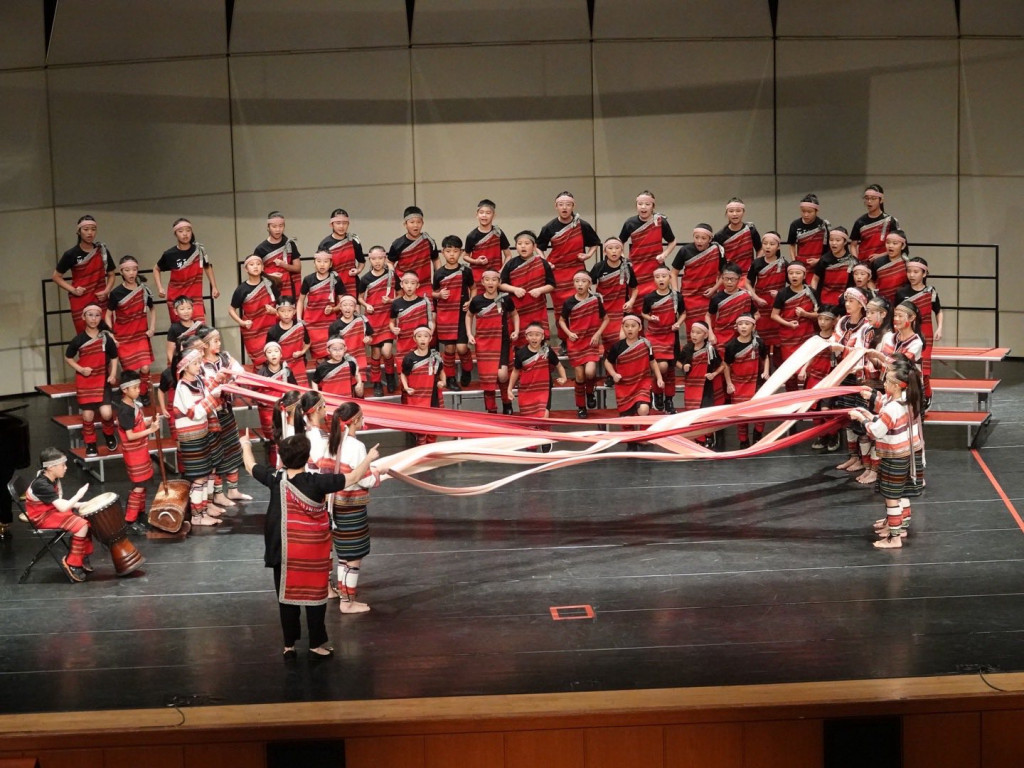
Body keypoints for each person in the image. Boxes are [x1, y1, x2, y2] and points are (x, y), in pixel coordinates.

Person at [240, 432, 380, 658]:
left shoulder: (275, 478)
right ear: (306, 458)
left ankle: (289, 645)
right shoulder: (317, 482)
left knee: (285, 598)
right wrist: (369, 457)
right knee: (316, 597)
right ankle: (316, 644)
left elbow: (250, 466)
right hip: (312, 552)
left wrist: (246, 444)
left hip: (283, 549)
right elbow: (353, 477)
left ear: (283, 458)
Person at [848, 359, 924, 549]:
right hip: (908, 453)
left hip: (895, 456)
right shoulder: (908, 398)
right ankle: (899, 527)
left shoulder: (893, 407)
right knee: (902, 492)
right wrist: (868, 414)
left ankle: (894, 537)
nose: (884, 384)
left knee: (892, 497)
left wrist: (861, 419)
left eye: (888, 381)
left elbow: (876, 431)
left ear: (897, 385)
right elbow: (886, 421)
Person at [321, 402, 382, 613]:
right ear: (355, 420)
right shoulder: (356, 447)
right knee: (353, 556)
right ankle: (347, 602)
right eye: (362, 416)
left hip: (332, 506)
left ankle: (344, 595)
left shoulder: (331, 442)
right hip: (350, 507)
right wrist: (377, 473)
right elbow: (364, 479)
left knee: (343, 554)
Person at [537, 191, 602, 349]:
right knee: (561, 308)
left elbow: (595, 243)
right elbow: (539, 247)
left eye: (568, 204)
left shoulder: (582, 225)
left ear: (573, 206)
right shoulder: (549, 227)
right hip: (557, 272)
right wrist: (546, 262)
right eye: (561, 204)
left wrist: (588, 255)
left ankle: (583, 338)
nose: (564, 207)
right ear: (556, 206)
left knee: (581, 305)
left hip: (577, 271)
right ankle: (565, 340)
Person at [198, 327, 250, 509]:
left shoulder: (225, 357)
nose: (219, 343)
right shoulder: (200, 365)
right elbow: (207, 390)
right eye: (215, 341)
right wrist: (223, 383)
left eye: (219, 340)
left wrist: (231, 382)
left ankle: (233, 490)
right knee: (218, 454)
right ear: (205, 345)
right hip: (212, 415)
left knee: (233, 449)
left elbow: (240, 372)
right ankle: (219, 494)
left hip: (227, 410)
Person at [25, 448, 94, 582]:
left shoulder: (53, 478)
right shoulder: (41, 484)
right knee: (82, 526)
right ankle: (73, 563)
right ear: (51, 467)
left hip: (51, 510)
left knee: (86, 516)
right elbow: (62, 507)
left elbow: (60, 502)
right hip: (41, 517)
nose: (66, 468)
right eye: (63, 465)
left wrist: (81, 504)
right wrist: (78, 495)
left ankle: (81, 554)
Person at [171, 345, 222, 526]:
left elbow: (208, 394)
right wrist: (213, 398)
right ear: (185, 367)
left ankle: (204, 509)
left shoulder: (198, 380)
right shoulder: (182, 387)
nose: (199, 366)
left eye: (199, 362)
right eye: (195, 363)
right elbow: (194, 413)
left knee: (206, 473)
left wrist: (217, 386)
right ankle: (197, 516)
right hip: (191, 438)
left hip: (202, 434)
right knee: (199, 477)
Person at [64, 305, 119, 457]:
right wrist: (80, 369)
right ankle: (91, 443)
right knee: (88, 415)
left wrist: (113, 374)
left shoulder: (106, 338)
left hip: (102, 380)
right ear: (83, 317)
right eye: (90, 315)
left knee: (106, 414)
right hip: (85, 381)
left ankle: (109, 434)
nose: (93, 319)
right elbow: (68, 357)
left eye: (96, 315)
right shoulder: (78, 339)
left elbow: (114, 356)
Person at [114, 370, 163, 534]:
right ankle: (130, 519)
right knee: (139, 486)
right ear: (125, 390)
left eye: (138, 387)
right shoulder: (124, 410)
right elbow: (130, 435)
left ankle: (140, 514)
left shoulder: (133, 405)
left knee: (144, 484)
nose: (138, 390)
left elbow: (137, 424)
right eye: (134, 388)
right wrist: (151, 430)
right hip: (134, 454)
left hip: (141, 450)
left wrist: (149, 422)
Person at [605, 314, 663, 449]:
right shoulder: (617, 347)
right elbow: (607, 362)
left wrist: (659, 377)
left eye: (633, 326)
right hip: (624, 386)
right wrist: (613, 374)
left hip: (642, 383)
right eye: (626, 326)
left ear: (640, 327)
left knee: (644, 409)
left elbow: (653, 362)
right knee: (626, 419)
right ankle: (630, 440)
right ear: (622, 328)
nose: (630, 329)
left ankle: (643, 436)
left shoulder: (646, 344)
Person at [52, 215, 116, 335]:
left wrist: (107, 291)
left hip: (100, 298)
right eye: (86, 229)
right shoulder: (71, 254)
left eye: (93, 229)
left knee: (106, 333)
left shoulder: (102, 251)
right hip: (81, 299)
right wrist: (73, 290)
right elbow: (56, 276)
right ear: (79, 231)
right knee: (85, 336)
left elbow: (111, 274)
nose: (90, 233)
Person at [105, 255, 156, 406]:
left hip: (140, 334)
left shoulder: (144, 290)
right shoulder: (116, 293)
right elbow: (107, 315)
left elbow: (152, 309)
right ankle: (128, 398)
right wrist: (111, 335)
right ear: (121, 272)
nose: (131, 273)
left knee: (145, 367)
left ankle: (144, 392)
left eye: (134, 269)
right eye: (127, 270)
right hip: (123, 337)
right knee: (129, 371)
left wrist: (152, 327)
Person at [466, 270, 518, 414]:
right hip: (484, 343)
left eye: (494, 279)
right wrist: (469, 334)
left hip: (502, 341)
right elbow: (469, 316)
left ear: (499, 282)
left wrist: (516, 330)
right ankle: (491, 409)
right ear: (482, 282)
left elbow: (514, 314)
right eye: (487, 279)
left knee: (503, 375)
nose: (490, 282)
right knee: (488, 379)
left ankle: (507, 403)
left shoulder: (505, 299)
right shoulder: (476, 300)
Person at [558, 271, 608, 419]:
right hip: (575, 343)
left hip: (590, 342)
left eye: (583, 281)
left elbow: (606, 319)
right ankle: (581, 406)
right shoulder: (569, 302)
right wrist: (568, 333)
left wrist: (597, 334)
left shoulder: (595, 300)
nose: (580, 284)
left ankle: (590, 392)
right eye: (577, 281)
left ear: (589, 283)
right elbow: (561, 320)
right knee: (580, 376)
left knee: (590, 372)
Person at [152, 218, 219, 323]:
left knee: (199, 327)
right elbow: (156, 269)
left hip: (195, 296)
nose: (185, 234)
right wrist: (160, 287)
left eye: (188, 230)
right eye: (181, 231)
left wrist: (214, 286)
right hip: (176, 297)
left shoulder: (198, 250)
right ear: (175, 234)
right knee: (181, 329)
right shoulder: (169, 254)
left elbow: (207, 266)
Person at [896, 256, 943, 402]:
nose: (911, 275)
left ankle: (927, 395)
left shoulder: (930, 291)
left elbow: (938, 311)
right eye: (909, 271)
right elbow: (896, 314)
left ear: (924, 273)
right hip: (906, 332)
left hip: (926, 333)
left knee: (925, 369)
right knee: (907, 367)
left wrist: (940, 328)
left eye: (916, 272)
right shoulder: (901, 293)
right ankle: (911, 397)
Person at [432, 235, 475, 389]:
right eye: (448, 251)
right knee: (449, 349)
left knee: (462, 348)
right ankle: (450, 379)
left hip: (462, 315)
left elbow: (474, 288)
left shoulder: (466, 271)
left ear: (461, 252)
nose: (452, 254)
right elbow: (433, 293)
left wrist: (471, 301)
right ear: (443, 252)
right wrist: (439, 295)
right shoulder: (439, 273)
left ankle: (467, 370)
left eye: (455, 251)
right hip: (445, 315)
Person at [797, 306, 841, 451]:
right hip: (814, 376)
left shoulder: (837, 338)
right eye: (820, 319)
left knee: (826, 409)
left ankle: (833, 434)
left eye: (826, 319)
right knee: (815, 410)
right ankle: (822, 435)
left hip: (830, 377)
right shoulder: (815, 338)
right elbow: (811, 356)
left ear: (834, 322)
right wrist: (804, 368)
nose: (822, 322)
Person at [619, 190, 677, 300]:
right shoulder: (629, 223)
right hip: (636, 267)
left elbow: (672, 241)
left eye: (647, 204)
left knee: (656, 299)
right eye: (640, 204)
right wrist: (623, 258)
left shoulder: (661, 222)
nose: (643, 207)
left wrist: (664, 254)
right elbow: (620, 242)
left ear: (653, 206)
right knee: (636, 298)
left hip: (655, 266)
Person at [723, 313, 770, 448]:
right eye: (740, 324)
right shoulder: (731, 345)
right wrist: (729, 383)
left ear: (753, 327)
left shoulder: (759, 343)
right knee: (741, 414)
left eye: (747, 324)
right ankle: (743, 440)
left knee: (760, 411)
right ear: (736, 327)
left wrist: (766, 371)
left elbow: (766, 357)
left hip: (756, 382)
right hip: (738, 383)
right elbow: (726, 365)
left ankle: (758, 433)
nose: (743, 327)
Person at [500, 230, 555, 343]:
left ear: (534, 246)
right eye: (519, 244)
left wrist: (540, 290)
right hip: (516, 308)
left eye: (527, 243)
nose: (523, 246)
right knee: (517, 339)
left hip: (537, 306)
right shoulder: (510, 264)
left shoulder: (542, 263)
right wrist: (514, 289)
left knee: (538, 338)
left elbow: (552, 285)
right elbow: (501, 284)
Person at [641, 267, 684, 413]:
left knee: (670, 370)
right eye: (657, 276)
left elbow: (683, 313)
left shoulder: (677, 297)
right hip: (654, 336)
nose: (661, 279)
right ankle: (657, 393)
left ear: (670, 278)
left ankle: (668, 400)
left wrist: (678, 323)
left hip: (671, 335)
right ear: (654, 279)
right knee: (662, 367)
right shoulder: (649, 298)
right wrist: (650, 317)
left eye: (664, 276)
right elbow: (643, 313)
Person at [770, 261, 819, 384]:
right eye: (791, 273)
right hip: (788, 337)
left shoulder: (811, 292)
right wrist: (788, 324)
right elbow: (774, 315)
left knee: (806, 369)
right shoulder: (782, 293)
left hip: (806, 334)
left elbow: (819, 314)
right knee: (789, 371)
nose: (794, 276)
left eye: (798, 273)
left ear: (804, 275)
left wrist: (805, 314)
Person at [358, 245, 398, 395]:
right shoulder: (365, 279)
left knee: (387, 352)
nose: (377, 261)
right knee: (375, 353)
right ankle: (377, 383)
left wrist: (391, 300)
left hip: (387, 318)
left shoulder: (392, 275)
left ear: (385, 258)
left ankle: (390, 377)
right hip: (373, 319)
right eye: (374, 259)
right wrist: (366, 305)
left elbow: (401, 294)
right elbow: (359, 298)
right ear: (369, 259)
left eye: (380, 258)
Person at [678, 321, 725, 448]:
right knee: (693, 412)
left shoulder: (710, 350)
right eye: (693, 332)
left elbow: (722, 366)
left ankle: (708, 435)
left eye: (698, 333)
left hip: (706, 386)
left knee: (705, 413)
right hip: (691, 386)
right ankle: (699, 438)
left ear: (705, 335)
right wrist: (683, 366)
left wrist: (714, 374)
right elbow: (677, 362)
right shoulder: (687, 348)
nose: (694, 335)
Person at [671, 223, 724, 333]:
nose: (699, 241)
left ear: (710, 239)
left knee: (708, 329)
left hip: (708, 295)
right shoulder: (684, 250)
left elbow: (724, 274)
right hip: (689, 296)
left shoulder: (716, 251)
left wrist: (714, 289)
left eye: (703, 238)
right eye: (696, 237)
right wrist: (676, 293)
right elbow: (673, 273)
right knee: (693, 331)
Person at [589, 237, 638, 357]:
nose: (614, 251)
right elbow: (588, 286)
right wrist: (595, 299)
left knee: (622, 339)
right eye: (610, 248)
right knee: (609, 342)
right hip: (604, 311)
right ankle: (610, 366)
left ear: (621, 250)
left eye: (617, 248)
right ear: (605, 251)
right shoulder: (598, 267)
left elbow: (635, 288)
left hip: (621, 309)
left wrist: (631, 302)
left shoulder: (627, 267)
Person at [229, 253, 279, 366]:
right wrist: (242, 322)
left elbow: (280, 305)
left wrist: (275, 311)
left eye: (258, 264)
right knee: (259, 363)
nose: (255, 266)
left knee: (274, 361)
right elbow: (231, 309)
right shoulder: (241, 289)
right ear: (246, 269)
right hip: (253, 330)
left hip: (271, 328)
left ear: (262, 267)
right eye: (251, 264)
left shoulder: (269, 284)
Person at [509, 322, 568, 418]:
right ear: (526, 337)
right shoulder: (520, 353)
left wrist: (564, 377)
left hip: (544, 389)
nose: (534, 338)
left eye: (537, 335)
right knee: (529, 419)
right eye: (531, 335)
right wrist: (509, 389)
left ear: (542, 336)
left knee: (544, 416)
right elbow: (515, 371)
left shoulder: (547, 351)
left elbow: (559, 365)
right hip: (526, 390)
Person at [747, 231, 787, 369]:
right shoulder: (756, 263)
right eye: (765, 243)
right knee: (761, 342)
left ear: (778, 246)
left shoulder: (784, 264)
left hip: (777, 308)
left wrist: (780, 294)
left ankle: (779, 372)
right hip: (760, 306)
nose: (768, 246)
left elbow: (794, 286)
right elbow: (747, 283)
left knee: (778, 343)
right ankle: (761, 373)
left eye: (772, 244)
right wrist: (756, 297)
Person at [254, 341, 297, 467]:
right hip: (268, 410)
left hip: (284, 409)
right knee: (273, 437)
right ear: (265, 356)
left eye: (276, 351)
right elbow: (254, 391)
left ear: (281, 354)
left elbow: (294, 388)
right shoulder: (262, 373)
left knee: (286, 435)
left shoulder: (287, 371)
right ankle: (274, 464)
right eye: (269, 352)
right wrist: (262, 400)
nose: (273, 354)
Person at [400, 327, 446, 445]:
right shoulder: (409, 358)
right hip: (417, 397)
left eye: (425, 336)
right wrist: (406, 387)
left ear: (430, 339)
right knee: (421, 430)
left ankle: (430, 449)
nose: (422, 339)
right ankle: (421, 450)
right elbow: (403, 374)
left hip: (433, 396)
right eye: (419, 336)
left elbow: (442, 372)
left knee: (433, 428)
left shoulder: (436, 357)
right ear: (414, 338)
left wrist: (443, 382)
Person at [299, 250, 343, 363]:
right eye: (319, 261)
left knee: (332, 354)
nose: (322, 264)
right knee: (319, 358)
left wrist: (333, 309)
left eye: (325, 261)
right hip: (312, 323)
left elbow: (343, 302)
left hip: (329, 323)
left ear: (331, 264)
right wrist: (299, 319)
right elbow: (300, 300)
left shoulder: (336, 279)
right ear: (314, 263)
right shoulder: (308, 279)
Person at [463, 199, 512, 293]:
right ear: (476, 215)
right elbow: (465, 256)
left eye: (488, 213)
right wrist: (476, 261)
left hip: (495, 276)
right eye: (481, 212)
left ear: (494, 215)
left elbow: (508, 255)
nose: (484, 215)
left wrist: (501, 271)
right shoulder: (471, 236)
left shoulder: (498, 233)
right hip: (478, 277)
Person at [705, 262, 754, 356]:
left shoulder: (746, 296)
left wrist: (746, 326)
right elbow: (707, 316)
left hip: (741, 335)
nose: (729, 282)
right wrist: (711, 334)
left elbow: (756, 315)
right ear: (722, 278)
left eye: (733, 279)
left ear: (739, 279)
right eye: (726, 279)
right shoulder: (716, 298)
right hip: (721, 335)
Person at [388, 205, 437, 298]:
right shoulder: (397, 244)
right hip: (404, 285)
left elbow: (436, 259)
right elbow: (390, 262)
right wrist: (397, 283)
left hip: (424, 284)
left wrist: (438, 280)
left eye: (418, 222)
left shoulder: (429, 241)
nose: (415, 225)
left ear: (422, 223)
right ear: (405, 224)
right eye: (412, 222)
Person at [265, 295, 311, 389]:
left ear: (294, 311)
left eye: (289, 310)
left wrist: (302, 352)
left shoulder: (300, 326)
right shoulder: (272, 332)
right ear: (277, 312)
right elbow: (268, 351)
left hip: (299, 364)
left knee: (302, 391)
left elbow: (308, 342)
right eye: (282, 311)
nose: (286, 314)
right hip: (281, 366)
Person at [253, 211, 302, 298]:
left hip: (289, 288)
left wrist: (284, 265)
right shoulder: (260, 249)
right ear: (268, 227)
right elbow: (255, 272)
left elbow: (297, 268)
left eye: (281, 226)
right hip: (269, 289)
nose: (278, 229)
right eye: (274, 226)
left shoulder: (289, 244)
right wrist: (269, 276)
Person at [318, 208, 364, 296]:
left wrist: (358, 270)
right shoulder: (325, 244)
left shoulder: (353, 240)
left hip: (352, 283)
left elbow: (361, 261)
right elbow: (320, 267)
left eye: (344, 223)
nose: (341, 226)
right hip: (332, 284)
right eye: (338, 223)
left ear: (348, 224)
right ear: (331, 224)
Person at [389, 272, 434, 362]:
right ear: (401, 284)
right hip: (403, 342)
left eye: (413, 283)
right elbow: (391, 322)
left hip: (420, 342)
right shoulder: (396, 303)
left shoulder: (425, 302)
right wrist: (393, 329)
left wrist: (429, 336)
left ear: (417, 285)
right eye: (406, 283)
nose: (409, 286)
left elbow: (431, 321)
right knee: (402, 367)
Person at [850, 184, 899, 263]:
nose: (869, 201)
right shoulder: (860, 222)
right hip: (864, 264)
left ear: (881, 200)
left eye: (873, 198)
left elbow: (898, 245)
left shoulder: (890, 221)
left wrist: (880, 255)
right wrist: (856, 262)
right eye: (867, 198)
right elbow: (853, 245)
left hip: (884, 263)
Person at [713, 198, 761, 276]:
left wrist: (755, 266)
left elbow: (760, 249)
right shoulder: (719, 235)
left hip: (747, 275)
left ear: (743, 212)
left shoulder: (751, 230)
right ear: (726, 213)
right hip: (729, 276)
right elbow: (717, 259)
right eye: (731, 211)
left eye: (738, 211)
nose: (734, 214)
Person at [328, 295, 370, 384]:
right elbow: (331, 345)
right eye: (345, 305)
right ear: (340, 307)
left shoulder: (362, 320)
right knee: (347, 386)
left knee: (359, 387)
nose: (348, 308)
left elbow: (370, 336)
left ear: (355, 308)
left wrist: (368, 339)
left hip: (359, 357)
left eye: (351, 305)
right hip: (342, 359)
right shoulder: (334, 326)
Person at [812, 227, 857, 308]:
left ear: (845, 242)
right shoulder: (824, 259)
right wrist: (814, 297)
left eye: (838, 240)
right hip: (824, 302)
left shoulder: (853, 261)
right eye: (831, 240)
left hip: (845, 302)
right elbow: (815, 279)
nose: (833, 243)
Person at [786, 193, 830, 268]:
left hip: (819, 263)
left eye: (809, 212)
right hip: (801, 263)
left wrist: (819, 260)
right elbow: (791, 245)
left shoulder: (823, 225)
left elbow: (828, 247)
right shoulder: (795, 225)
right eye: (803, 211)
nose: (806, 215)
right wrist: (794, 262)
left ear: (816, 211)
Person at [871, 229, 911, 305]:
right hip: (881, 303)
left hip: (901, 304)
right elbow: (871, 280)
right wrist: (874, 293)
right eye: (888, 242)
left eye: (895, 243)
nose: (890, 246)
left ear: (903, 246)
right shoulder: (877, 262)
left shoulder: (908, 264)